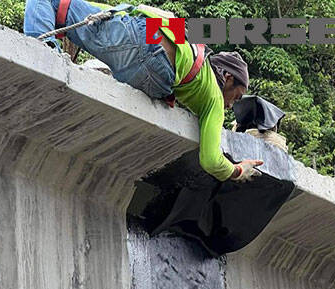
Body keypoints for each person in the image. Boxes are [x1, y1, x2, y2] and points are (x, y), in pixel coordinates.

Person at [24, 0, 263, 183]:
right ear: (228, 77)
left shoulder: (192, 44)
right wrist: (238, 170)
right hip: (157, 80)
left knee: (59, 4)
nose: (232, 105)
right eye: (236, 96)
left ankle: (43, 50)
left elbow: (129, 14)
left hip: (148, 42)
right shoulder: (209, 96)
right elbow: (211, 160)